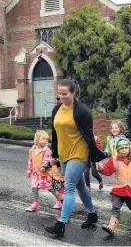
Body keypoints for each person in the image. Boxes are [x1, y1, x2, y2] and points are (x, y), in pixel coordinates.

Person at [45, 79, 106, 236]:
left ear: (73, 93)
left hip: (79, 152)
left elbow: (89, 136)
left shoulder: (82, 111)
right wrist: (55, 155)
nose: (61, 96)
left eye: (64, 94)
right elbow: (55, 134)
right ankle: (92, 214)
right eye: (59, 93)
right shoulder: (56, 110)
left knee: (69, 186)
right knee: (79, 186)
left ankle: (61, 223)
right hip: (64, 153)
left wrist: (95, 158)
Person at [96, 138, 131, 235]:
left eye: (126, 148)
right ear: (118, 149)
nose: (124, 150)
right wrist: (101, 168)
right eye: (121, 148)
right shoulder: (113, 160)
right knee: (115, 207)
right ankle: (112, 226)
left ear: (129, 148)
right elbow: (107, 171)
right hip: (118, 190)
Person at [26, 131, 62, 212]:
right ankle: (35, 204)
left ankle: (60, 200)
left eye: (47, 139)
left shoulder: (47, 151)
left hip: (45, 174)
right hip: (35, 174)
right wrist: (29, 170)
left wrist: (44, 167)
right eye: (43, 139)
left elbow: (47, 161)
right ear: (37, 139)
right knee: (34, 188)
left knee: (50, 188)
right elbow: (30, 161)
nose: (46, 141)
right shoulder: (32, 150)